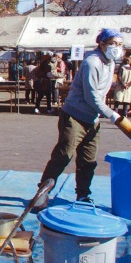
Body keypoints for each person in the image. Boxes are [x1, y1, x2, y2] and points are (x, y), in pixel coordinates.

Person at [33, 29, 124, 211]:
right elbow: (92, 96)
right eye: (114, 43)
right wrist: (113, 115)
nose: (118, 48)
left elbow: (102, 90)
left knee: (88, 159)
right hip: (74, 116)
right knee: (63, 155)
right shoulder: (92, 62)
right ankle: (42, 193)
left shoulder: (110, 62)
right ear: (102, 44)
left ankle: (83, 194)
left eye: (121, 44)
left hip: (92, 118)